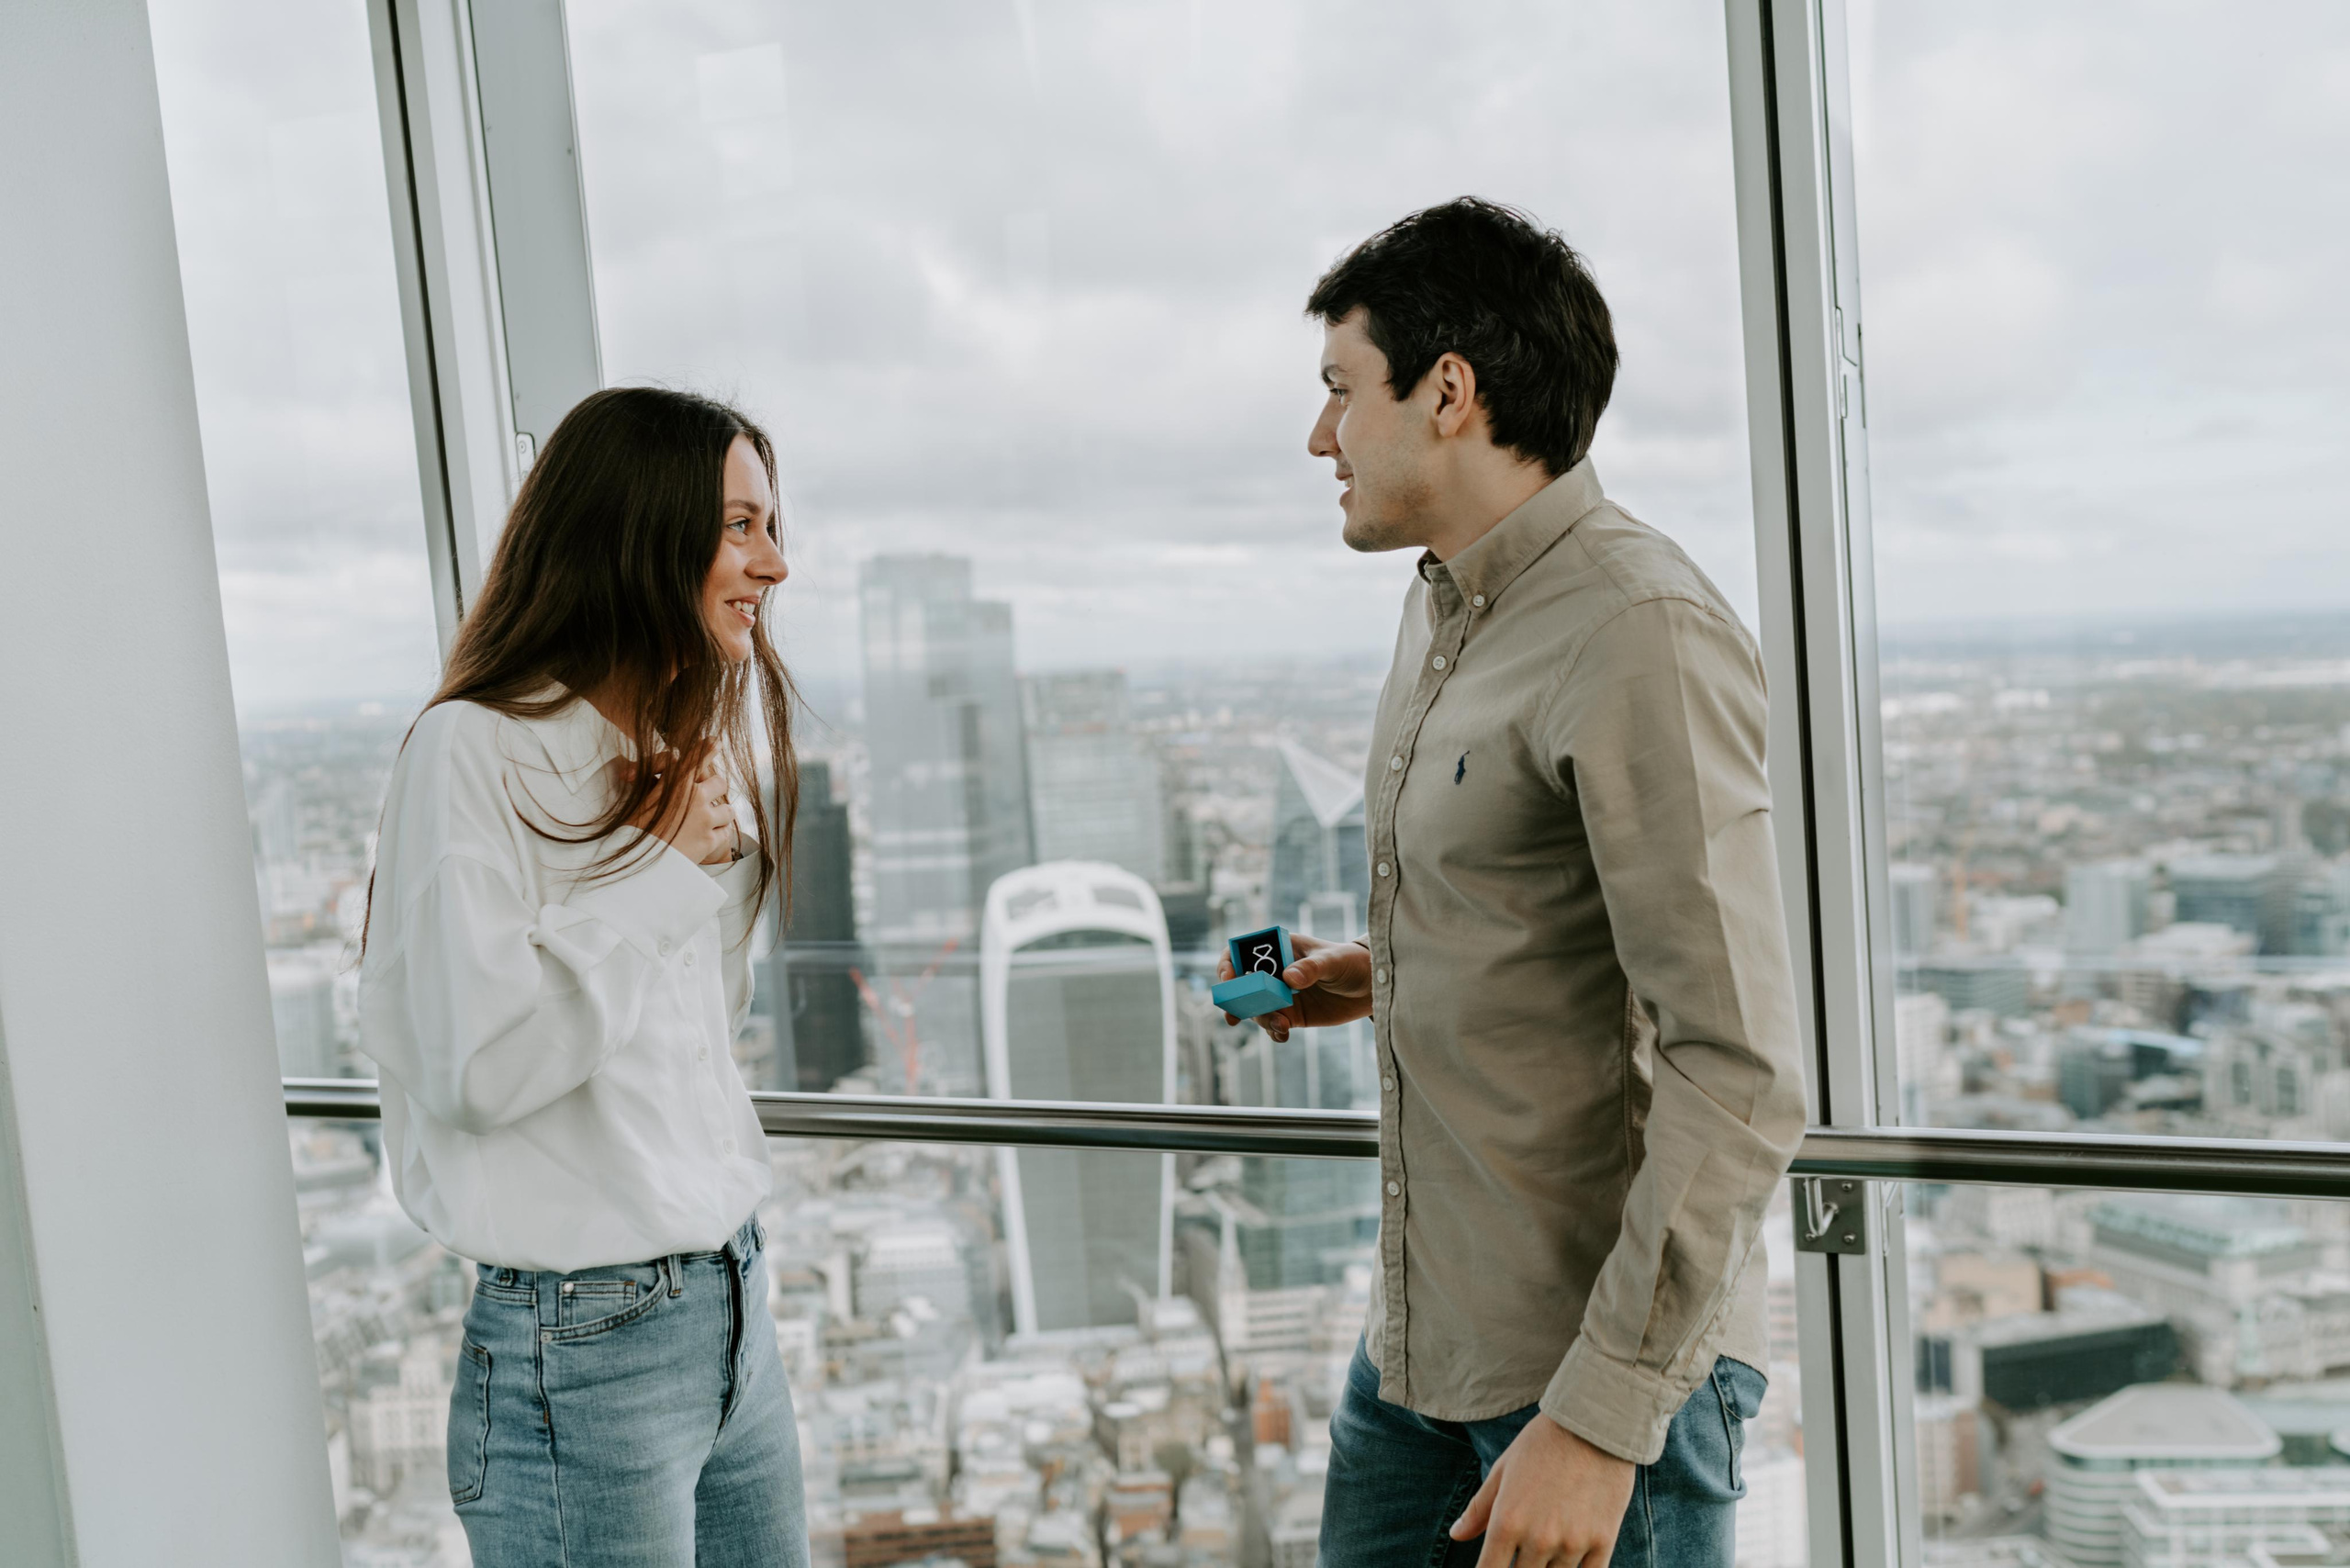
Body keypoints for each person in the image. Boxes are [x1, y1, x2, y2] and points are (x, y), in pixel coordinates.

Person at [1225, 198, 1807, 1566]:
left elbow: (1739, 1065)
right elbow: (1557, 916)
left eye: (1337, 391)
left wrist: (1602, 1423)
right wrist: (1397, 970)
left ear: (1448, 392)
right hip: (1424, 1346)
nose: (1320, 437)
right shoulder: (1440, 605)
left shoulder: (1637, 631)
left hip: (1594, 1376)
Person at [359, 386, 809, 1566]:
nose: (774, 561)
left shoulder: (659, 751)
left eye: (770, 524)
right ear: (635, 532)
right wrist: (658, 870)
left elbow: (692, 1042)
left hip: (730, 1308)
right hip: (586, 1348)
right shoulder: (473, 751)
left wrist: (696, 850)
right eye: (740, 526)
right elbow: (475, 1063)